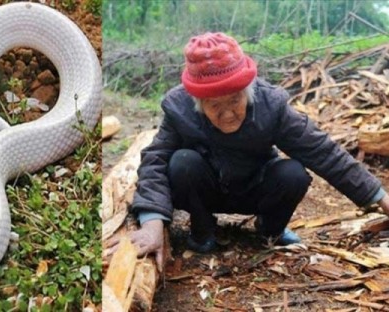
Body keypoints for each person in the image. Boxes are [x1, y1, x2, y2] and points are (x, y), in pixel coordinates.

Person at [105, 32, 389, 272]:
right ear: (197, 101)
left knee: (293, 174)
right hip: (207, 187)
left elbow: (324, 152)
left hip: (256, 186)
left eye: (235, 100)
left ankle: (270, 230)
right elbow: (155, 161)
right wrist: (152, 222)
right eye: (214, 106)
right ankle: (202, 232)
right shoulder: (179, 108)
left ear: (248, 89)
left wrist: (380, 198)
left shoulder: (272, 106)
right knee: (182, 162)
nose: (228, 114)